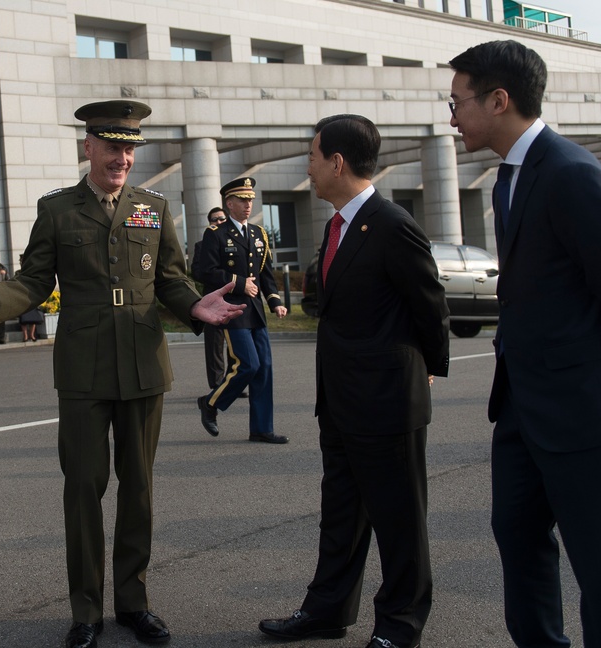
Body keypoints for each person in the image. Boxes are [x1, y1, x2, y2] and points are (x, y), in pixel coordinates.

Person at [0, 99, 244, 648]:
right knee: (83, 489)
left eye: (129, 148)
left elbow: (170, 277)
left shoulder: (151, 207)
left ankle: (135, 603)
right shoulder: (57, 210)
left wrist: (195, 305)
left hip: (144, 364)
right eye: (112, 146)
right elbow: (30, 282)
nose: (121, 157)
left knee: (139, 488)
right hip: (82, 369)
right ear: (88, 147)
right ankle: (86, 612)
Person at [447, 40, 601, 648]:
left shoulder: (569, 172)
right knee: (517, 539)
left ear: (499, 99)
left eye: (457, 101)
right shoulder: (508, 179)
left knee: (600, 566)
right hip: (523, 406)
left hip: (589, 409)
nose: (453, 115)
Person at [258, 114, 449, 648]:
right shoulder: (338, 224)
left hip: (387, 401)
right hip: (340, 401)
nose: (310, 170)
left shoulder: (392, 224)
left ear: (337, 162)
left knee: (399, 523)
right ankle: (326, 611)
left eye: (313, 158)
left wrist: (428, 369)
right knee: (341, 515)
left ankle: (400, 626)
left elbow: (430, 306)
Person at [194, 179, 288, 443]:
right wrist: (237, 282)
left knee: (264, 367)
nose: (248, 205)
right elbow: (205, 271)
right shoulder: (215, 233)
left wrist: (275, 301)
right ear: (229, 203)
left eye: (251, 200)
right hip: (232, 309)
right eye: (243, 200)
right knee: (247, 364)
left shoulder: (259, 234)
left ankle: (261, 428)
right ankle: (210, 403)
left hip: (256, 310)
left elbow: (265, 273)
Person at [191, 206, 230, 391]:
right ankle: (217, 384)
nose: (219, 222)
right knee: (214, 344)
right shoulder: (201, 245)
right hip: (213, 299)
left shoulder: (234, 243)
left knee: (236, 343)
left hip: (233, 299)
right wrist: (216, 276)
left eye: (222, 218)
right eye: (215, 219)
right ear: (210, 223)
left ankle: (233, 382)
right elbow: (197, 272)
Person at [17, 253, 45, 342]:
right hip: (22, 295)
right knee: (23, 316)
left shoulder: (32, 270)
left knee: (33, 315)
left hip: (31, 295)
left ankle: (32, 335)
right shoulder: (18, 272)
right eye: (21, 261)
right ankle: (25, 335)